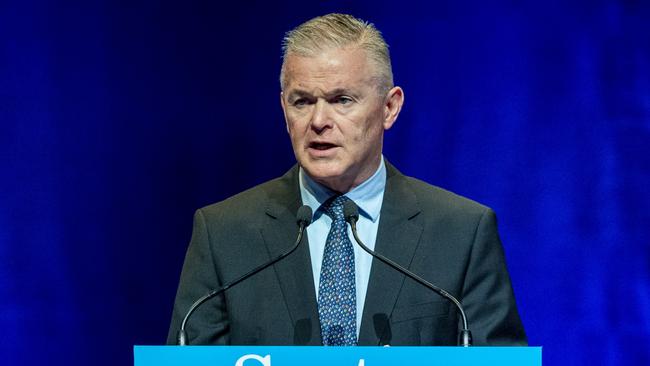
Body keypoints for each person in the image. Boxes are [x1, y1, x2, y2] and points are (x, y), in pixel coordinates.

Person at [167, 13, 526, 346]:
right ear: (283, 109)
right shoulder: (224, 233)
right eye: (302, 102)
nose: (319, 120)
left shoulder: (462, 232)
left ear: (389, 108)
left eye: (341, 100)